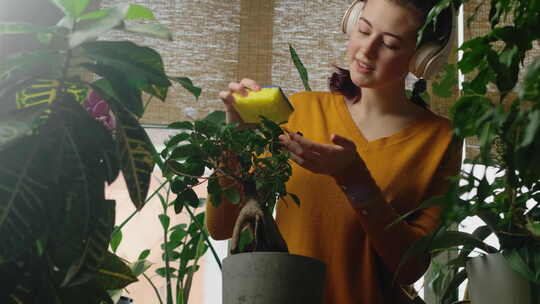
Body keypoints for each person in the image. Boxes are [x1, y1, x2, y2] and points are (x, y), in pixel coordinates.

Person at [206, 0, 462, 303]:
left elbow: (410, 268)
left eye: (390, 44)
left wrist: (355, 178)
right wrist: (235, 138)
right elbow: (221, 227)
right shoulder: (301, 112)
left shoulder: (440, 139)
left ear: (422, 58)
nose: (366, 50)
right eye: (363, 30)